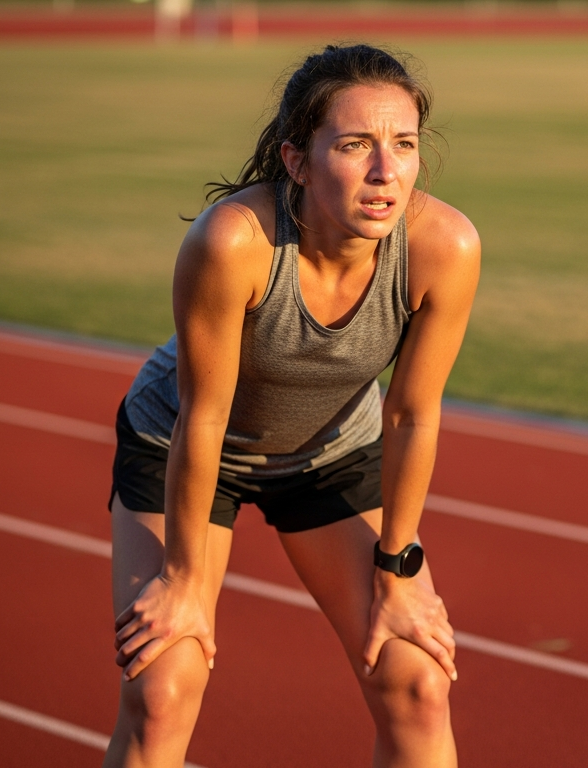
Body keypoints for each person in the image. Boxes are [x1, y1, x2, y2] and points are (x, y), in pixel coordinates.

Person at [103, 44, 479, 767]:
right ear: (297, 161)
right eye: (354, 145)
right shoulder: (233, 242)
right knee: (163, 687)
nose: (385, 171)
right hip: (187, 445)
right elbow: (204, 417)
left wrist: (397, 572)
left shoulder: (444, 246)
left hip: (331, 455)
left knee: (418, 684)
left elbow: (411, 415)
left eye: (404, 144)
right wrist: (181, 579)